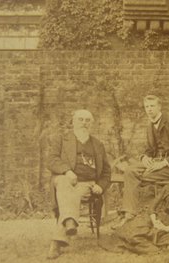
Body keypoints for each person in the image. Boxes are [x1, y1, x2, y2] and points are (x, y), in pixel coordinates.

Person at [115, 95, 169, 227]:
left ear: (159, 107)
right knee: (129, 171)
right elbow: (149, 149)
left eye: (152, 106)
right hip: (155, 164)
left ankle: (142, 213)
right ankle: (129, 212)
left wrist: (163, 163)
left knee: (141, 175)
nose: (149, 109)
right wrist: (145, 158)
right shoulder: (149, 126)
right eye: (147, 107)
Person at [46, 109, 111, 259]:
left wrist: (100, 185)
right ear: (73, 122)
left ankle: (62, 234)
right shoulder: (61, 139)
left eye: (88, 120)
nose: (84, 123)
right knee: (64, 183)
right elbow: (52, 160)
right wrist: (67, 171)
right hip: (64, 179)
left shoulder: (97, 144)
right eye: (80, 119)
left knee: (70, 193)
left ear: (92, 124)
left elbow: (107, 171)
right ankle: (68, 222)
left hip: (87, 184)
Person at [100, 163, 169, 254]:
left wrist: (166, 228)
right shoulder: (168, 187)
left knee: (144, 236)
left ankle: (149, 247)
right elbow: (152, 206)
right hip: (155, 217)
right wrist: (154, 220)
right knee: (129, 231)